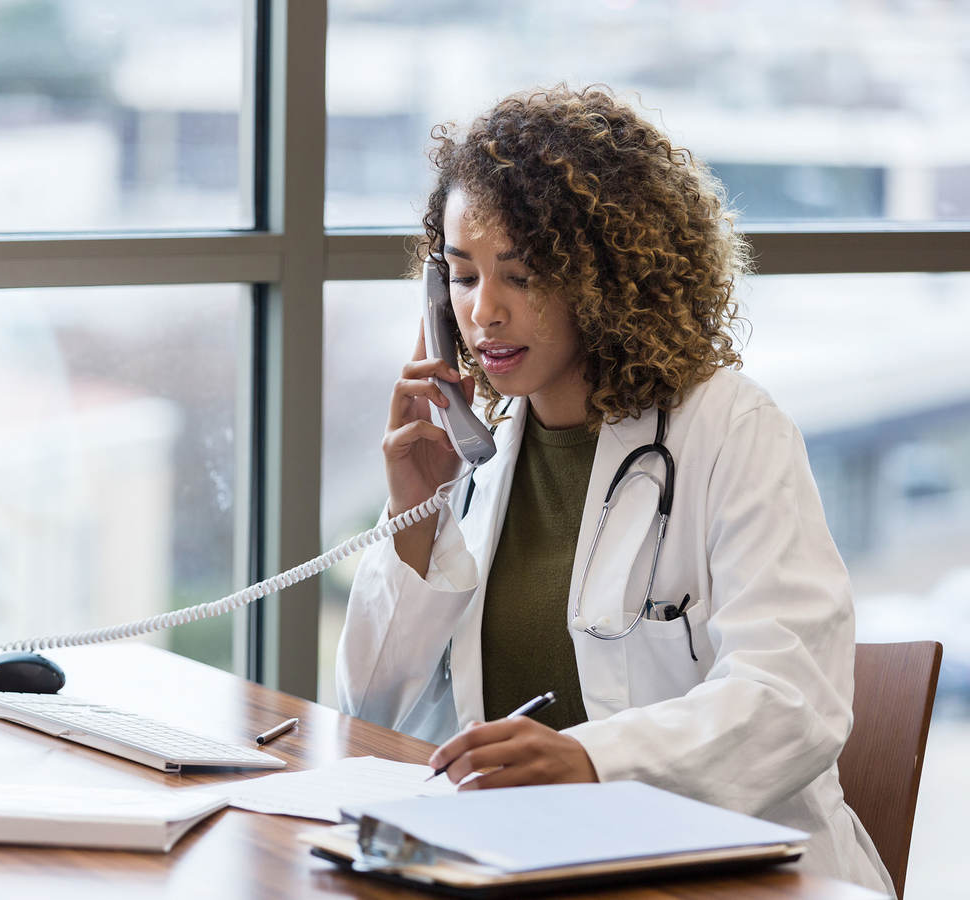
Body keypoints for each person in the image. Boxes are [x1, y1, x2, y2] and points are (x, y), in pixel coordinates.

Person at [335, 85, 892, 895]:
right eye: (459, 276)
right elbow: (369, 712)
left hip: (728, 876)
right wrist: (413, 518)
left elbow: (790, 700)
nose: (481, 312)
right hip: (542, 869)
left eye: (518, 276)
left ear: (604, 278)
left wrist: (593, 758)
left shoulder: (730, 429)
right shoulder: (477, 463)